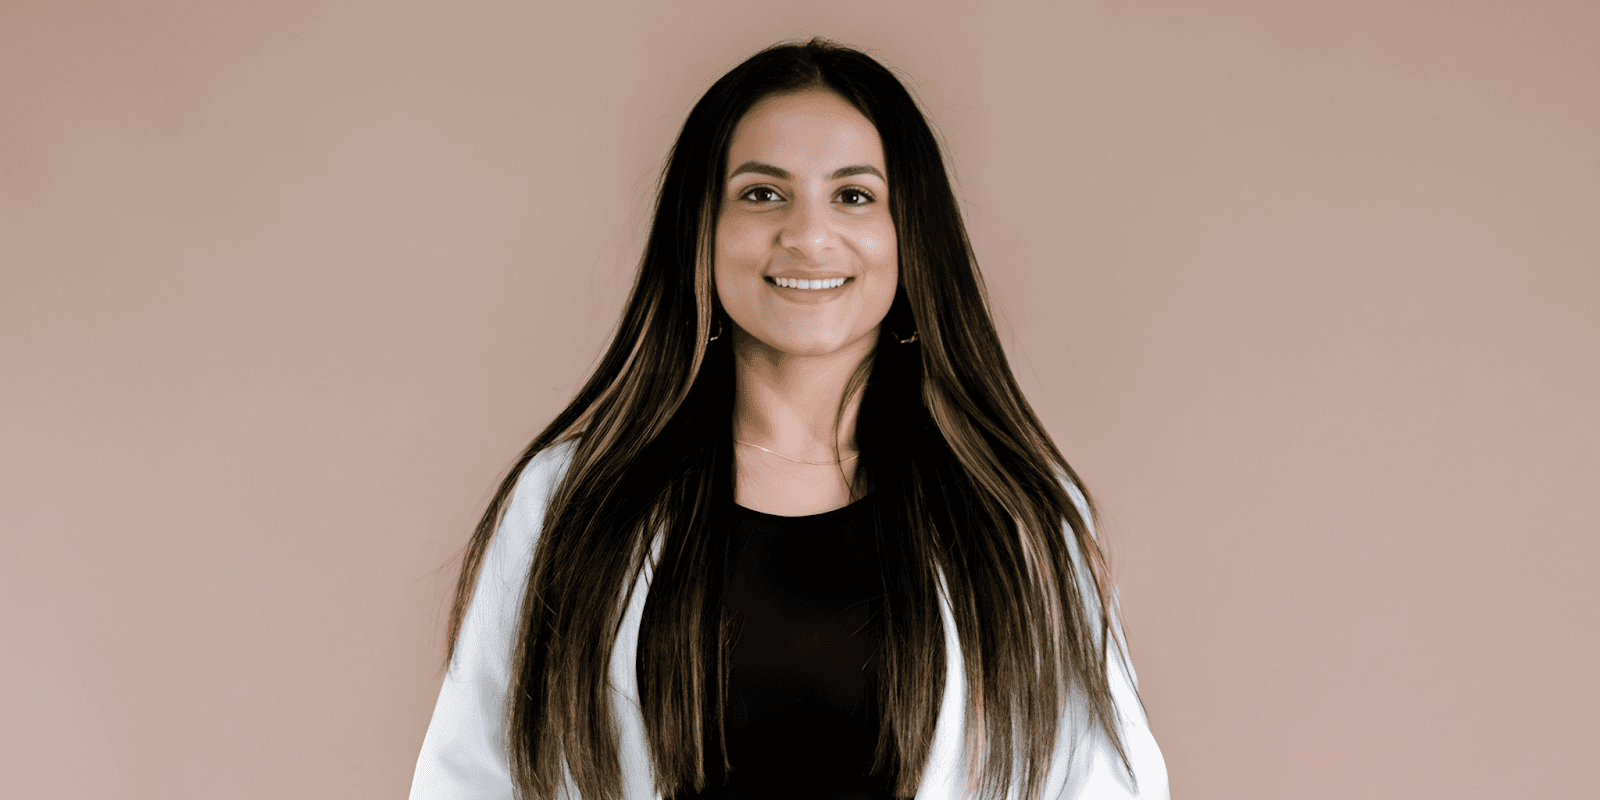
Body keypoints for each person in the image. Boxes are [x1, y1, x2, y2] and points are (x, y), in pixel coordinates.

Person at [409, 39, 1169, 800]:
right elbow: (469, 778)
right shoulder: (572, 504)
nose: (808, 235)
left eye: (854, 196)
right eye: (762, 193)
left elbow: (1103, 784)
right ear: (700, 231)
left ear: (912, 236)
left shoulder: (1016, 518)